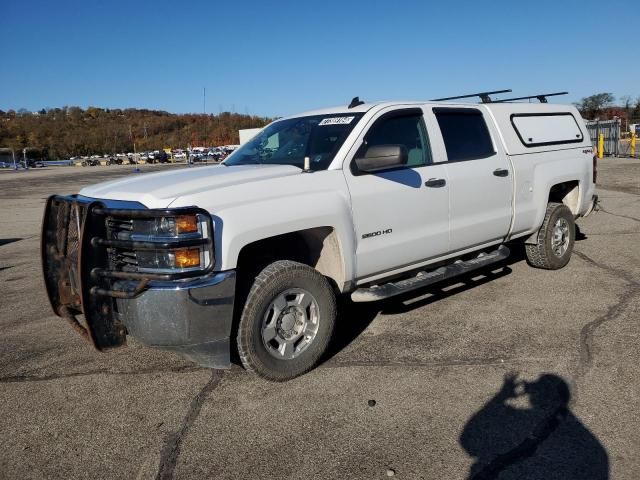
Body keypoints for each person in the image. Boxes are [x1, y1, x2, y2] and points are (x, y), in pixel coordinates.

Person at [460, 373, 608, 480]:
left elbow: (467, 438)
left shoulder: (527, 421)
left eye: (536, 386)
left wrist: (500, 397)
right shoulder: (591, 446)